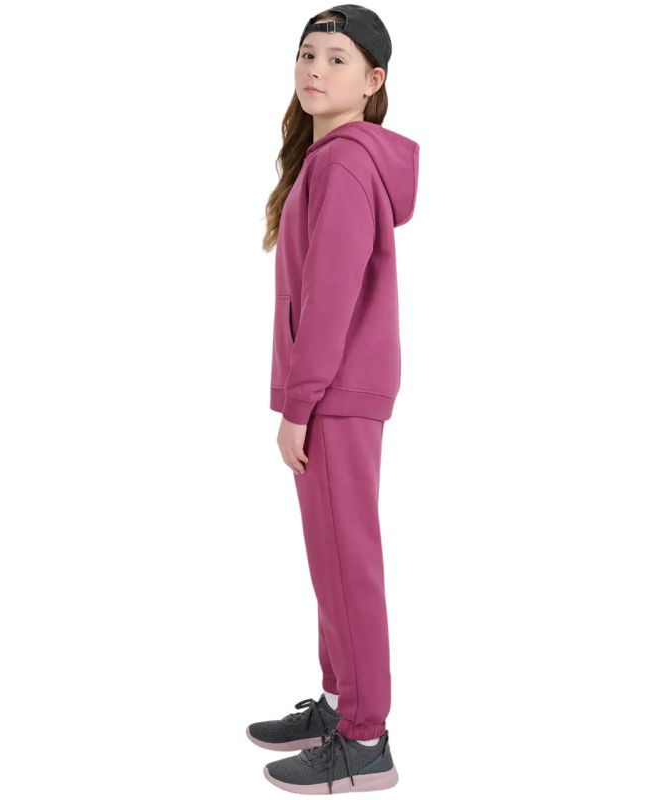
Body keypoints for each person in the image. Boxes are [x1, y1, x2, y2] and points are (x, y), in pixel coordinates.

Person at [246, 5, 419, 794]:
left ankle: (366, 739)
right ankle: (344, 705)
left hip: (335, 395)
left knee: (349, 562)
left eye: (337, 59)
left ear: (373, 81)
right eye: (307, 54)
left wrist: (299, 403)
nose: (315, 69)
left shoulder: (346, 164)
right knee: (333, 560)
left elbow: (330, 297)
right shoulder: (328, 160)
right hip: (334, 391)